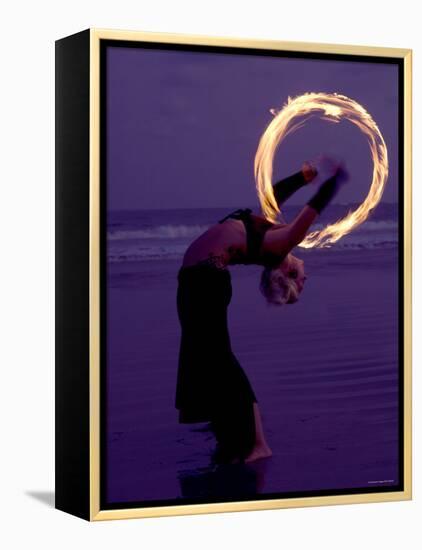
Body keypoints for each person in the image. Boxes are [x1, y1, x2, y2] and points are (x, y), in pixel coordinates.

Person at [175, 154, 349, 465]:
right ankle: (225, 428)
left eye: (304, 279)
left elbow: (314, 209)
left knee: (219, 358)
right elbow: (275, 197)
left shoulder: (284, 242)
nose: (307, 271)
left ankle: (258, 444)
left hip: (207, 282)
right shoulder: (269, 229)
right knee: (200, 356)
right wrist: (302, 176)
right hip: (192, 281)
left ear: (290, 274)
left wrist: (336, 180)